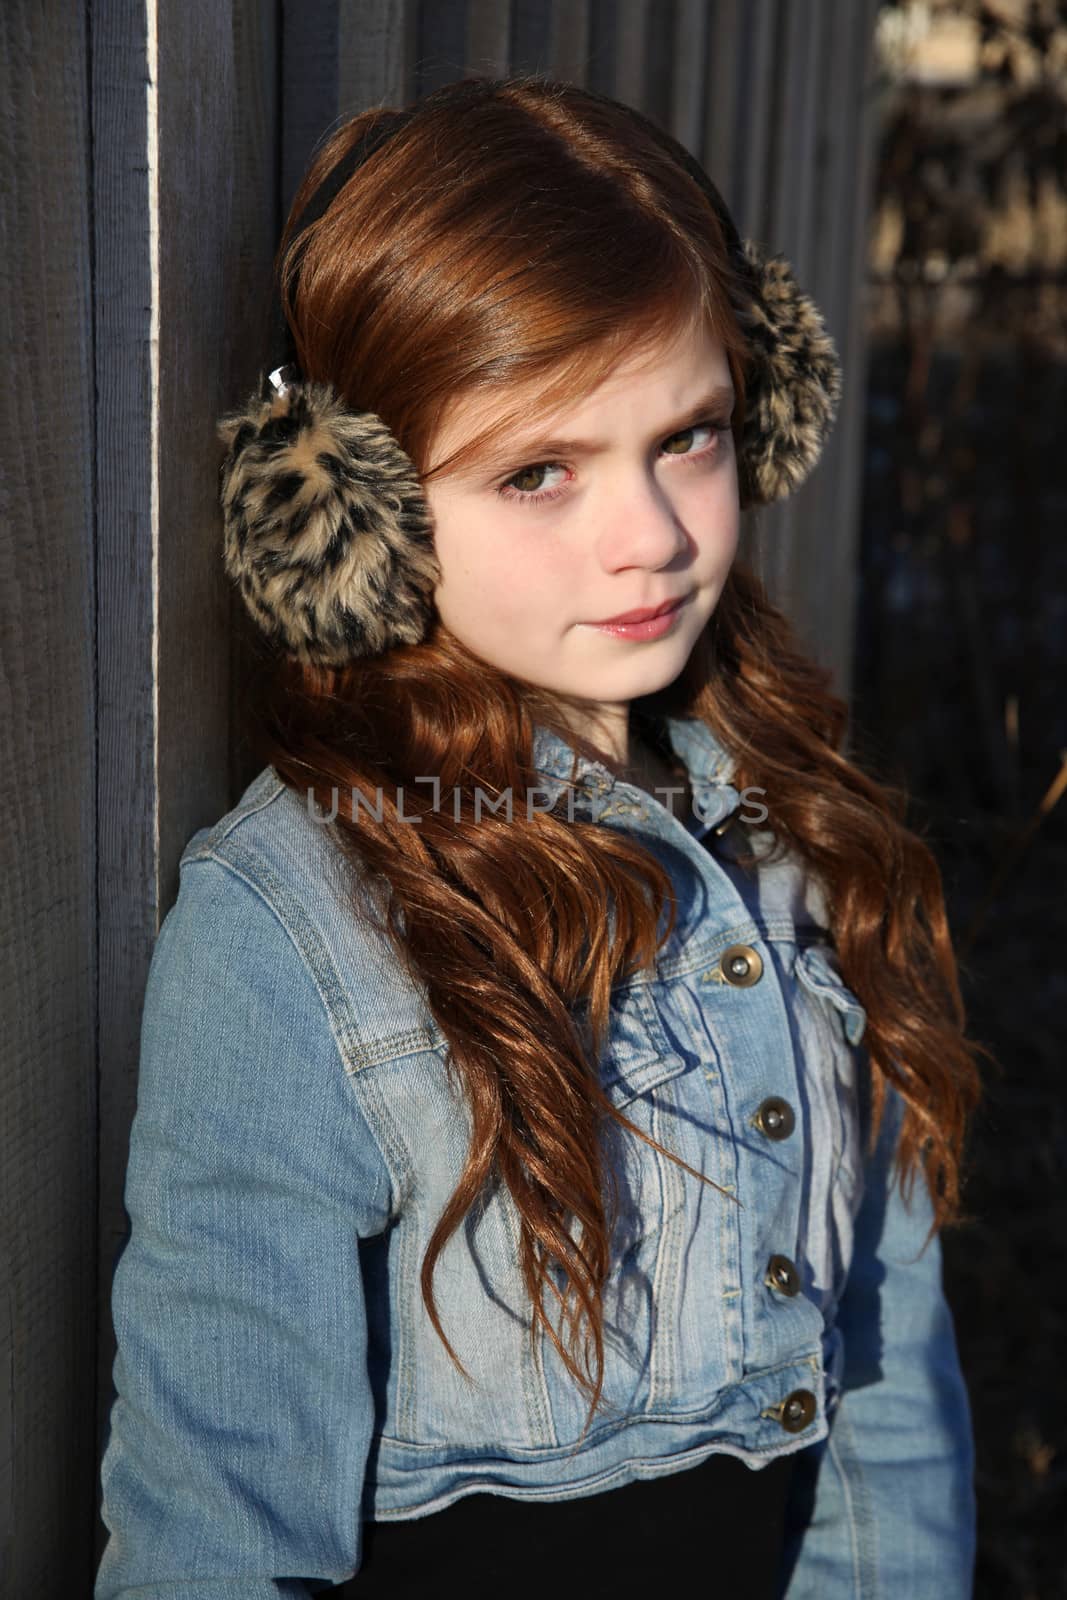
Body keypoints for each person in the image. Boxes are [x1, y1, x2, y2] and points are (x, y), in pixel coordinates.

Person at [94, 74, 986, 1599]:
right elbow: (220, 1524)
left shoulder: (798, 841)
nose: (647, 534)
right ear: (357, 514)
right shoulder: (295, 935)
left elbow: (882, 1392)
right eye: (539, 472)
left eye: (689, 437)